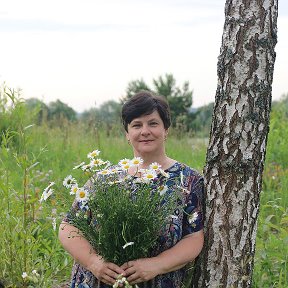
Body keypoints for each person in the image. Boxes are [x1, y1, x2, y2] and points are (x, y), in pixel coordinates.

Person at [59, 91, 204, 288]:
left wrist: (156, 265)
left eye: (153, 123)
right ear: (127, 134)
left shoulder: (188, 180)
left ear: (166, 130)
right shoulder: (105, 179)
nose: (145, 131)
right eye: (136, 125)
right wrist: (94, 263)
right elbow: (68, 226)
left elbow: (194, 237)